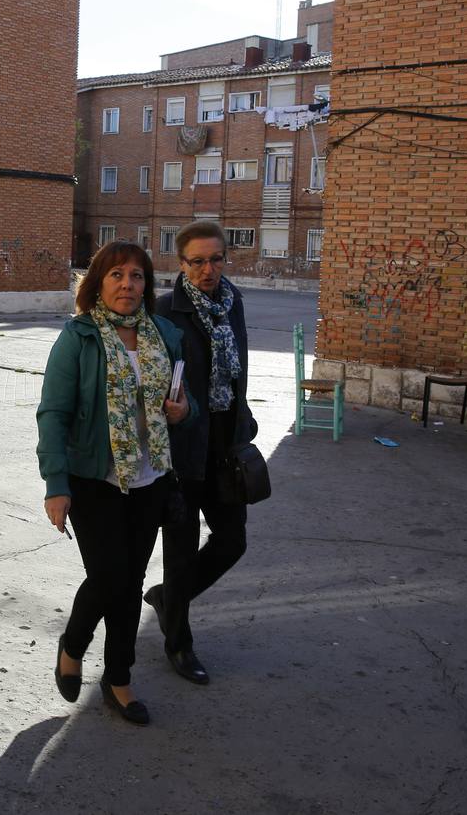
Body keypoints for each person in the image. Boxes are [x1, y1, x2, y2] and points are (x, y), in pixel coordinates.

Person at [36, 240, 194, 726]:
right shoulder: (79, 337)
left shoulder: (164, 334)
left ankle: (118, 680)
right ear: (99, 283)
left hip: (150, 479)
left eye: (137, 276)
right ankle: (74, 643)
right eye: (117, 275)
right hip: (94, 481)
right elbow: (54, 414)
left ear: (148, 284)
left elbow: (184, 402)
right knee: (110, 577)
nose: (128, 285)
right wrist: (56, 484)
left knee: (129, 587)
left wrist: (183, 410)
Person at [144, 221, 257, 685]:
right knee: (180, 548)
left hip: (224, 445)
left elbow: (237, 371)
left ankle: (169, 598)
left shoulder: (234, 303)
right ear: (180, 263)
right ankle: (179, 643)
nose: (208, 269)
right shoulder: (165, 311)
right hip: (180, 451)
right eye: (198, 261)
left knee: (233, 540)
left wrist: (244, 419)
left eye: (216, 259)